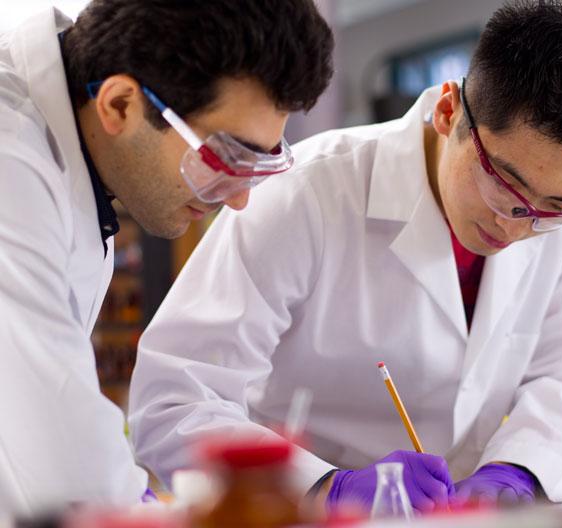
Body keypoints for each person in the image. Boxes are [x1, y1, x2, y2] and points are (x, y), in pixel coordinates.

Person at [128, 0, 562, 513]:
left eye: (558, 207)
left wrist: (521, 470)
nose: (515, 224)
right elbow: (177, 399)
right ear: (449, 111)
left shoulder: (553, 218)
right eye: (502, 185)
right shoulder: (306, 193)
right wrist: (325, 489)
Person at [0, 0, 333, 514]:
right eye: (225, 160)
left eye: (258, 165)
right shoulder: (11, 162)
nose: (239, 199)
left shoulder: (75, 153)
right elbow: (57, 437)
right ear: (119, 106)